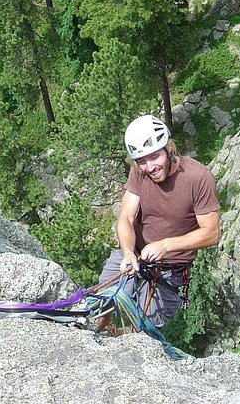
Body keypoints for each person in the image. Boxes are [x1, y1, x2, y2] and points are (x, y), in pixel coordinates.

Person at [98, 114, 220, 330]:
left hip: (168, 270)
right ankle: (96, 333)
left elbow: (211, 233)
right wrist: (127, 252)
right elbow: (126, 216)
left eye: (154, 157)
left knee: (142, 332)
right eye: (142, 161)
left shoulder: (198, 178)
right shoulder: (139, 172)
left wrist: (166, 245)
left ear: (169, 149)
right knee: (102, 305)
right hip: (134, 255)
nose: (149, 167)